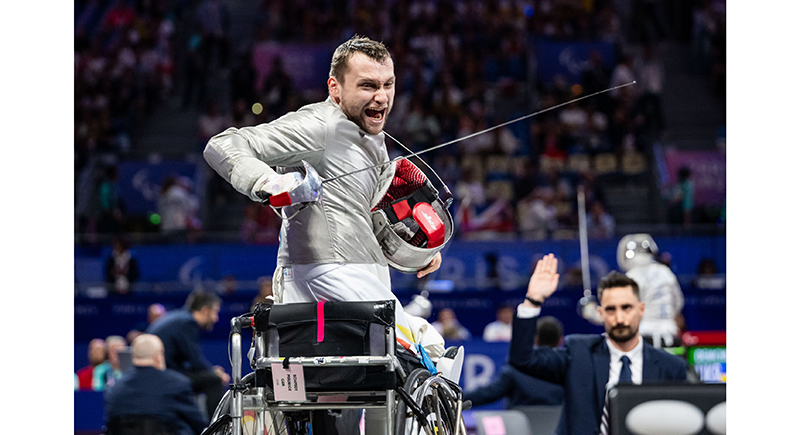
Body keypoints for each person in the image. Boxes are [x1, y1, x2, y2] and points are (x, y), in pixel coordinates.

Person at [202, 34, 445, 357]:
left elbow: (362, 215)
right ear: (335, 88)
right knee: (430, 351)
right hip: (328, 276)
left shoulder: (371, 135)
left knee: (365, 394)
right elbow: (222, 145)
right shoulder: (319, 125)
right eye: (368, 86)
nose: (382, 97)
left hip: (359, 276)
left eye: (388, 85)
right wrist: (270, 184)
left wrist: (419, 253)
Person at [509, 254, 687, 435]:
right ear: (600, 313)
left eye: (626, 308)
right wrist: (533, 300)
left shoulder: (670, 367)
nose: (619, 318)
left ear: (641, 309)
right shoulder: (579, 353)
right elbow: (522, 359)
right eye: (611, 309)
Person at [147, 290, 230, 422]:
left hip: (160, 372)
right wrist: (216, 373)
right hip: (162, 375)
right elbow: (195, 361)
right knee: (214, 380)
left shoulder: (179, 318)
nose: (216, 318)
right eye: (215, 312)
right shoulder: (187, 323)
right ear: (204, 310)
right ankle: (217, 427)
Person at [105, 334, 208, 435]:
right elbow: (199, 426)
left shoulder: (115, 389)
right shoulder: (177, 384)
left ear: (133, 356)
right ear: (158, 357)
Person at [466, 316, 565, 408]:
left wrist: (456, 399)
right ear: (560, 340)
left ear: (534, 339)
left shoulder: (517, 365)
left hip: (521, 425)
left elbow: (488, 394)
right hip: (561, 425)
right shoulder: (570, 367)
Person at [616, 234, 685, 347]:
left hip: (644, 334)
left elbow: (624, 311)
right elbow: (678, 304)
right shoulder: (666, 272)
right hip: (669, 332)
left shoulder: (631, 276)